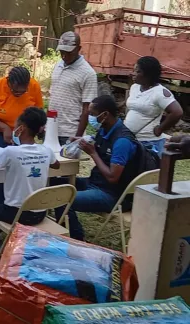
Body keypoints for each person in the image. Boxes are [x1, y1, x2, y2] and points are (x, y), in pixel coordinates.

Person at [51, 95, 145, 240]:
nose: (90, 118)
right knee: (53, 185)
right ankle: (64, 229)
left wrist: (93, 153)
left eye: (92, 114)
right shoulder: (105, 129)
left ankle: (75, 239)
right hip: (96, 182)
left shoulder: (122, 142)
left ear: (105, 115)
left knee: (61, 198)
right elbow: (98, 143)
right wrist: (81, 141)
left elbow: (113, 177)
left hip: (112, 195)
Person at [0, 107, 59, 251]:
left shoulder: (10, 152)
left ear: (21, 129)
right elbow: (56, 165)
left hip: (16, 213)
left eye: (15, 126)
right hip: (40, 213)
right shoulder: (46, 150)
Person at [0, 66, 44, 202]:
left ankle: (19, 201)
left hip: (25, 134)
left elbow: (38, 110)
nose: (19, 94)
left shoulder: (34, 86)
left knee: (21, 169)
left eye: (23, 92)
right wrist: (4, 128)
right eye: (15, 91)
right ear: (9, 82)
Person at [125, 56, 183, 156]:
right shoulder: (134, 87)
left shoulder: (159, 93)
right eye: (133, 70)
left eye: (137, 71)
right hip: (130, 139)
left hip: (148, 142)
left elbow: (177, 112)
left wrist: (160, 129)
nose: (133, 74)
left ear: (148, 74)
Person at [50, 31, 98, 144]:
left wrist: (77, 137)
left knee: (67, 162)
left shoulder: (88, 73)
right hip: (52, 128)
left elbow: (87, 108)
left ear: (78, 49)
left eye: (68, 52)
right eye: (61, 52)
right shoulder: (59, 65)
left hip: (70, 132)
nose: (64, 56)